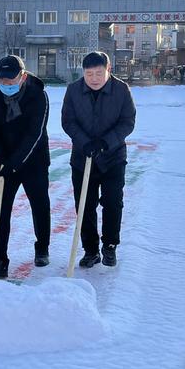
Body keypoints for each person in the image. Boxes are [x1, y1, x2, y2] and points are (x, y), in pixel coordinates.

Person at [61, 51, 136, 268]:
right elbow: (68, 121)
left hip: (112, 158)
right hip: (82, 158)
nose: (94, 78)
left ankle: (110, 246)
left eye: (98, 73)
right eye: (89, 73)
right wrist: (85, 143)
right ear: (83, 72)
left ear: (108, 70)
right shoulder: (73, 90)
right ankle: (91, 250)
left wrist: (104, 143)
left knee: (113, 202)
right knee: (85, 204)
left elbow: (127, 122)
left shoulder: (121, 90)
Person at [0, 55, 51, 278]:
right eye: (3, 81)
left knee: (39, 204)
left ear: (23, 76)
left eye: (11, 81)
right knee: (1, 208)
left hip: (34, 159)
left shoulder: (38, 95)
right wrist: (1, 158)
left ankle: (42, 248)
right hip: (4, 159)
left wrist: (15, 162)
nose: (7, 85)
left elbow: (35, 134)